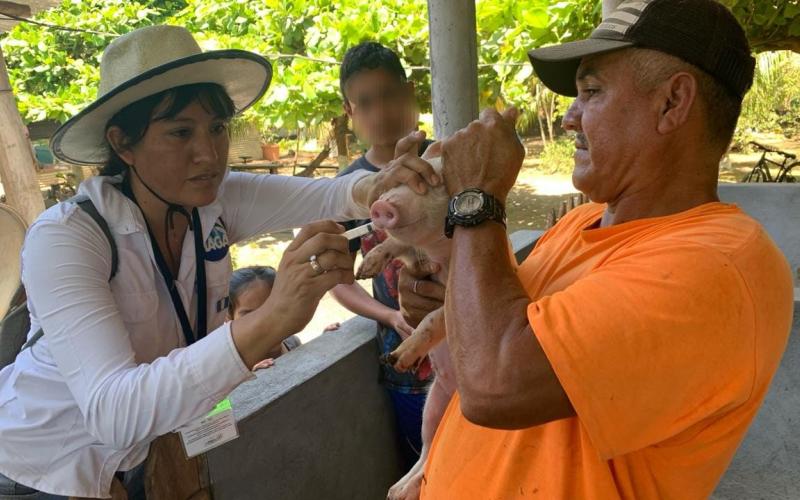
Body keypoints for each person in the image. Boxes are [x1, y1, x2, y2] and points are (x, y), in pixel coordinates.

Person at [0, 25, 439, 499]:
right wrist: (272, 319)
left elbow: (335, 194)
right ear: (123, 144)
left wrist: (377, 186)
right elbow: (113, 411)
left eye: (216, 128)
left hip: (133, 463)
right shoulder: (68, 237)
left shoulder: (208, 202)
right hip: (37, 470)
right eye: (180, 133)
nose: (208, 153)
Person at [398, 1, 795, 498]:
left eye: (591, 92)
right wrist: (444, 284)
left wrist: (476, 196)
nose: (569, 118)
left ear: (673, 103)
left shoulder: (720, 266)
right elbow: (493, 331)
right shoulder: (582, 221)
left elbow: (494, 381)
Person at [329, 41, 433, 468]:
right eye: (365, 103)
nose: (381, 112)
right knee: (425, 470)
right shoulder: (347, 187)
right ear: (351, 113)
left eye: (389, 95)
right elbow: (338, 279)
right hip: (406, 362)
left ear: (409, 93)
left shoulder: (443, 160)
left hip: (468, 341)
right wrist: (389, 316)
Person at [228, 266, 301, 370]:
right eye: (249, 315)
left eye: (272, 310)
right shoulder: (231, 371)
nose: (262, 322)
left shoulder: (292, 342)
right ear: (229, 317)